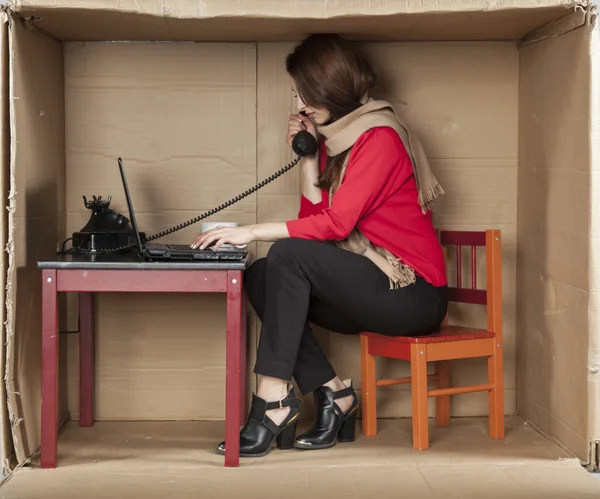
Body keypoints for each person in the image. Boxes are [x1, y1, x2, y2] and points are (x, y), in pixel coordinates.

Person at [191, 34, 449, 458]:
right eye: (297, 93)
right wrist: (310, 160)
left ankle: (271, 403)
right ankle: (335, 396)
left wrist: (252, 231)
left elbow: (334, 226)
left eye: (304, 92)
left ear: (331, 89)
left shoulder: (379, 138)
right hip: (369, 286)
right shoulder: (340, 143)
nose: (299, 103)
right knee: (262, 274)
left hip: (412, 294)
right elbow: (316, 224)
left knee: (283, 254)